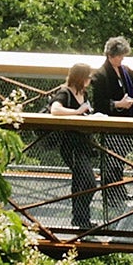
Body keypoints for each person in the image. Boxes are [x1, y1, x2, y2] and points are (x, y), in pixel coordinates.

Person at [87, 35, 133, 212]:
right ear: (110, 55)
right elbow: (100, 104)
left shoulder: (126, 71)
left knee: (121, 159)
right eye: (119, 56)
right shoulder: (100, 75)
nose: (121, 59)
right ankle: (109, 194)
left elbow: (131, 91)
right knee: (110, 160)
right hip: (111, 123)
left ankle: (119, 189)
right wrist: (118, 104)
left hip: (128, 121)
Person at [46, 61, 98, 229]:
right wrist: (77, 112)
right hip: (71, 145)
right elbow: (55, 109)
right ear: (80, 77)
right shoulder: (65, 92)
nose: (90, 80)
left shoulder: (84, 94)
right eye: (88, 77)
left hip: (84, 143)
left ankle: (81, 220)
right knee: (89, 183)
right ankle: (81, 218)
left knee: (80, 183)